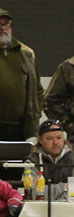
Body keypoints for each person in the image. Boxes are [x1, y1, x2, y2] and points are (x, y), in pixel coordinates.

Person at [0, 8, 43, 142]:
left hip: (21, 128)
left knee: (20, 162)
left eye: (5, 24)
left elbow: (38, 90)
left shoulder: (26, 53)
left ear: (10, 26)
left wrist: (35, 114)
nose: (2, 28)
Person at [24, 120, 74, 194]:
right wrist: (63, 187)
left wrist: (48, 191)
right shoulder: (32, 162)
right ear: (40, 140)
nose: (55, 142)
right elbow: (33, 193)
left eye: (59, 138)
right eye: (49, 138)